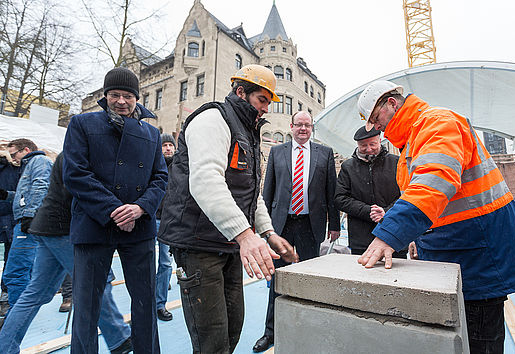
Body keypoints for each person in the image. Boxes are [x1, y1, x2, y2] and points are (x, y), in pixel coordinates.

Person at [356, 80, 515, 353]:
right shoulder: (413, 142)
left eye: (377, 119)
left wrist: (388, 236)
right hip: (462, 251)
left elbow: (434, 183)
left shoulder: (438, 123)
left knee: (479, 340)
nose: (377, 128)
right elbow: (426, 198)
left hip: (478, 255)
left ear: (391, 103)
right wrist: (416, 237)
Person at [158, 64, 298, 354]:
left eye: (269, 103)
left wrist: (268, 232)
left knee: (232, 330)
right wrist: (246, 236)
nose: (266, 109)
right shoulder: (213, 119)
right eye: (262, 100)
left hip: (228, 244)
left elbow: (249, 191)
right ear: (240, 92)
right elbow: (206, 181)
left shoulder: (247, 132)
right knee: (212, 342)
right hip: (198, 246)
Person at [63, 67, 168, 353]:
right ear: (105, 96)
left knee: (145, 304)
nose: (121, 101)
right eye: (115, 95)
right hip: (93, 226)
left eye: (128, 96)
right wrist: (116, 210)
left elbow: (160, 178)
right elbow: (75, 174)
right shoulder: (82, 124)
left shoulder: (152, 134)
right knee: (86, 307)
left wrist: (140, 208)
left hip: (140, 226)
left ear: (137, 97)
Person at [0, 152, 132, 354]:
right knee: (98, 282)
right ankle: (119, 338)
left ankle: (5, 346)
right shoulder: (83, 151)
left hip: (48, 226)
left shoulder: (71, 151)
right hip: (64, 229)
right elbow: (83, 192)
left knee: (37, 293)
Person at [253, 110, 341, 352]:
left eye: (307, 125)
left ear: (312, 128)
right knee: (277, 280)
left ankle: (307, 329)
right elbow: (267, 190)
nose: (303, 129)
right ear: (291, 126)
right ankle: (270, 332)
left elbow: (330, 193)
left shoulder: (324, 153)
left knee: (309, 279)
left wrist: (334, 224)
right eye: (299, 125)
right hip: (281, 226)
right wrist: (265, 228)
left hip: (310, 226)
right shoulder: (277, 152)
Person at [334, 126, 406, 258]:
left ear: (380, 141)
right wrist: (369, 211)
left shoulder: (396, 163)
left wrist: (386, 211)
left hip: (393, 234)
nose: (368, 149)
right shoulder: (348, 167)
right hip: (361, 238)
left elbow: (405, 195)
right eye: (363, 146)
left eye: (372, 144)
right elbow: (340, 198)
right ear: (357, 145)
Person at [0, 139, 52, 310]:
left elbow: (41, 186)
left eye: (14, 154)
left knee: (16, 271)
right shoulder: (29, 166)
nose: (13, 159)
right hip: (27, 220)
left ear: (26, 149)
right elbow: (26, 195)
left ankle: (17, 311)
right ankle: (20, 309)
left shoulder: (39, 161)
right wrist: (6, 195)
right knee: (22, 269)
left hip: (29, 222)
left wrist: (30, 215)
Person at [155, 133, 176, 321]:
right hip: (149, 219)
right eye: (164, 145)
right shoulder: (152, 165)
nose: (168, 148)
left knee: (165, 263)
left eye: (170, 145)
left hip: (168, 221)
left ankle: (159, 304)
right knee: (143, 262)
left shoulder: (179, 168)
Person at [0, 151, 21, 320]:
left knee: (12, 259)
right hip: (9, 217)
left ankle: (6, 299)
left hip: (9, 218)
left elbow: (21, 195)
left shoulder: (14, 168)